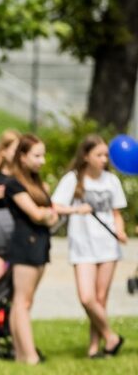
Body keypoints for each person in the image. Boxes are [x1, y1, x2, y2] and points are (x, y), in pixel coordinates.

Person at [51, 135, 128, 358]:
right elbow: (55, 206)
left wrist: (120, 231)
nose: (104, 159)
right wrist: (77, 210)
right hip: (83, 245)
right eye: (99, 155)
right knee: (87, 298)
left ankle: (95, 348)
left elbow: (116, 213)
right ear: (86, 156)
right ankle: (111, 336)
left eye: (106, 155)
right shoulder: (73, 179)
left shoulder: (111, 181)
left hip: (108, 245)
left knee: (101, 298)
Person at [4, 134, 63, 365]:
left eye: (43, 155)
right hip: (24, 245)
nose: (42, 161)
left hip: (40, 244)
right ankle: (29, 356)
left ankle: (20, 354)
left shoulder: (37, 183)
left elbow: (49, 214)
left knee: (25, 301)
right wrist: (47, 215)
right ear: (22, 156)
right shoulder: (13, 184)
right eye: (37, 155)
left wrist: (48, 215)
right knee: (22, 302)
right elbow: (38, 214)